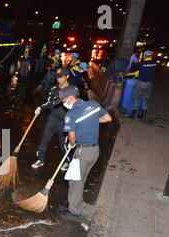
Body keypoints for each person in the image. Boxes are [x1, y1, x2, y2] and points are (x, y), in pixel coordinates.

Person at [59, 85, 112, 218]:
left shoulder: (70, 115)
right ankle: (74, 201)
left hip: (83, 151)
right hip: (95, 151)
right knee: (80, 178)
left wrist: (72, 144)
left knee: (76, 180)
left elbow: (71, 137)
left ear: (71, 98)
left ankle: (74, 211)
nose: (63, 104)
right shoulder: (93, 105)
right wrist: (91, 121)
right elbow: (108, 118)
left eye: (64, 101)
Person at [32, 67, 72, 170]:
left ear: (67, 76)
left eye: (61, 77)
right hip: (53, 118)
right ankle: (40, 159)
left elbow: (76, 108)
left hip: (64, 121)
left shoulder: (72, 90)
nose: (58, 79)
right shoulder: (54, 89)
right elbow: (49, 102)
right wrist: (40, 107)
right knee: (44, 139)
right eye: (57, 77)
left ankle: (67, 161)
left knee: (63, 144)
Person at [131, 50, 158, 120]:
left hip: (141, 82)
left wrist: (134, 63)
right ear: (150, 56)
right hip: (149, 83)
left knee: (135, 96)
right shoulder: (155, 63)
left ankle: (134, 113)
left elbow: (133, 68)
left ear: (145, 56)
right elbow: (156, 71)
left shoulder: (141, 64)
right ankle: (143, 115)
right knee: (145, 98)